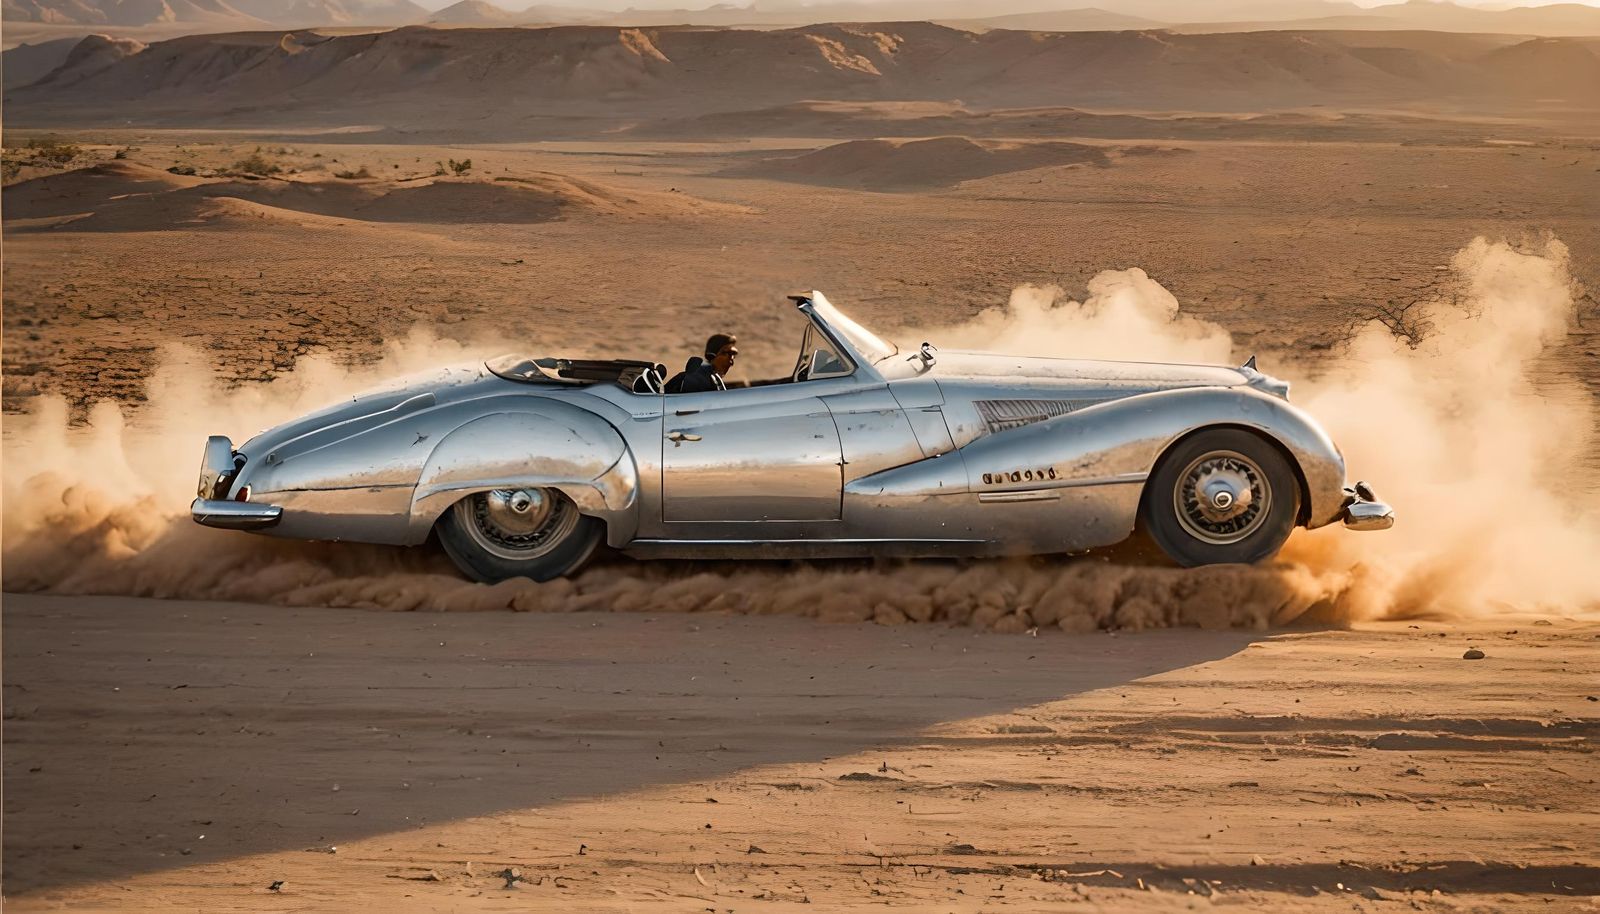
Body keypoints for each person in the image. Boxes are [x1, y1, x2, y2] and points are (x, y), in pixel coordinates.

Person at [666, 333, 738, 393]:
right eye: (729, 354)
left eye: (734, 355)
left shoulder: (710, 377)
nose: (732, 362)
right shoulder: (699, 379)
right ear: (712, 355)